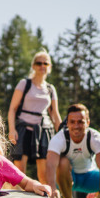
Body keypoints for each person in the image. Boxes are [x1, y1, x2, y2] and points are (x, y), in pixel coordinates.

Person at [8, 49, 62, 184]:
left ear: (49, 67)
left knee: (44, 172)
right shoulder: (24, 84)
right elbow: (12, 109)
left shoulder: (50, 89)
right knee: (19, 170)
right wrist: (12, 129)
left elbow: (55, 114)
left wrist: (62, 136)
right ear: (33, 66)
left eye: (46, 63)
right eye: (39, 63)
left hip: (44, 130)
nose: (42, 66)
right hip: (24, 129)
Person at [46, 103, 100, 198]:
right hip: (68, 179)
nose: (76, 126)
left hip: (90, 177)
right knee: (62, 162)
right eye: (72, 122)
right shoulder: (59, 138)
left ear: (87, 122)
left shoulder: (95, 137)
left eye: (80, 122)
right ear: (67, 123)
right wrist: (52, 189)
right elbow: (50, 165)